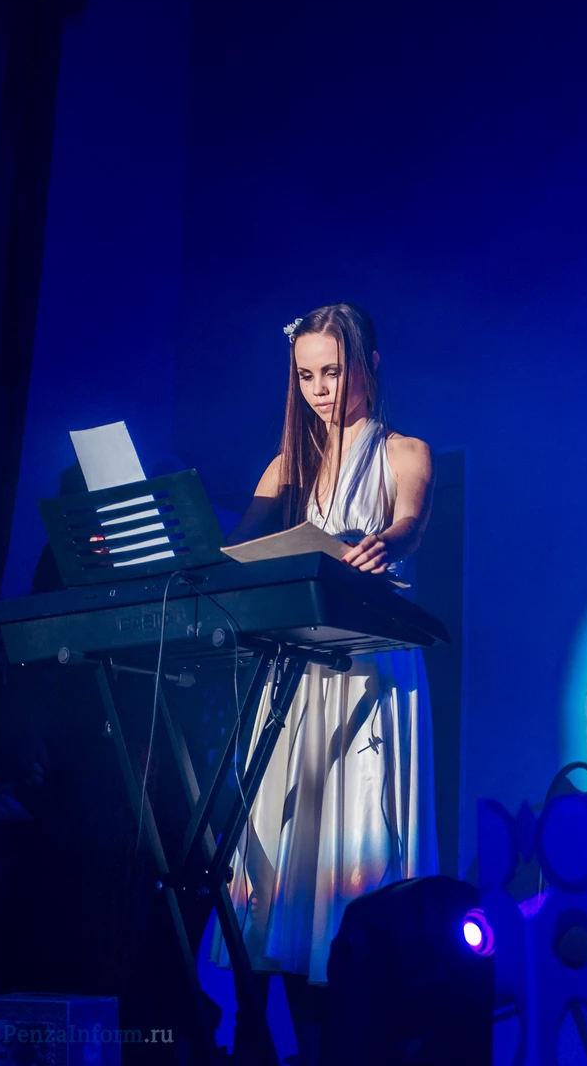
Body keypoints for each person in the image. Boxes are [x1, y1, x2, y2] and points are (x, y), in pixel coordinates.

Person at [211, 302, 439, 1062]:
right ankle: (271, 1038)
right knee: (283, 852)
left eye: (333, 372)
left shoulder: (405, 451)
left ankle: (347, 1031)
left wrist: (383, 543)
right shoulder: (287, 465)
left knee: (355, 843)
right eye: (306, 375)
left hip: (368, 666)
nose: (320, 389)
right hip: (298, 673)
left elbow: (409, 523)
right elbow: (234, 552)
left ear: (368, 363)